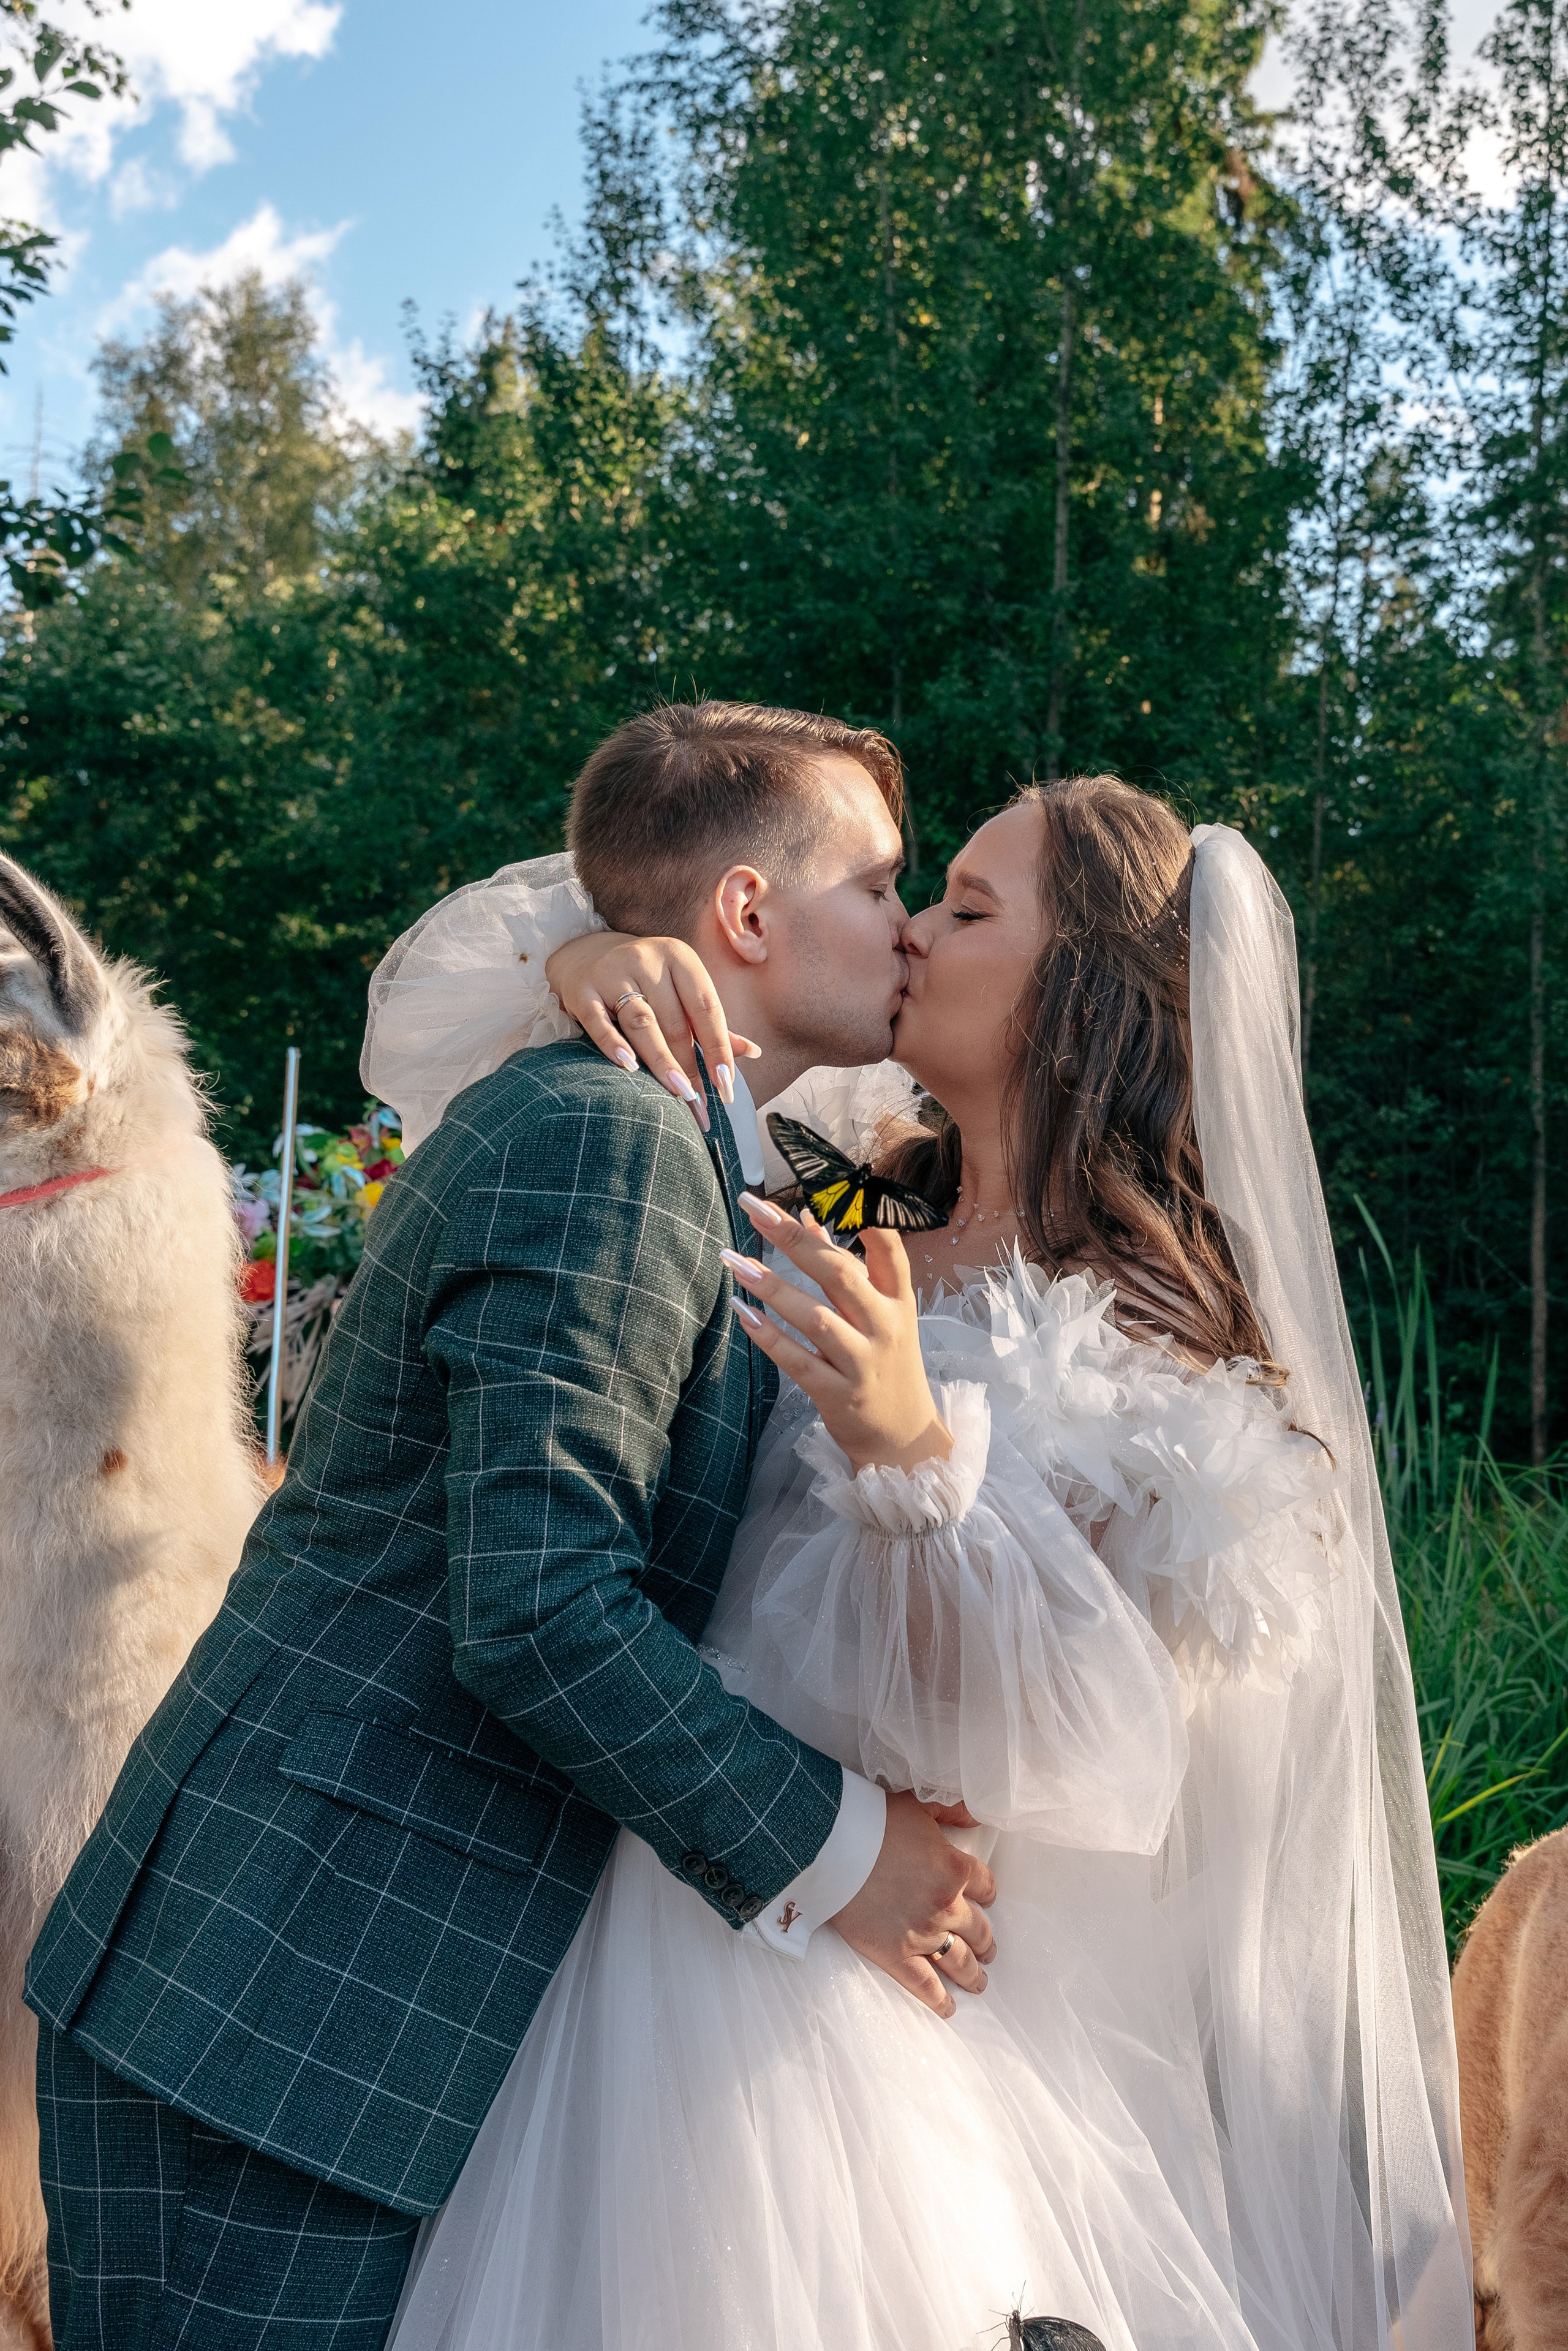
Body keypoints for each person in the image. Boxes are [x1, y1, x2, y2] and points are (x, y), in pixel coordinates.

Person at [369, 755, 1476, 2351]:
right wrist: (595, 955)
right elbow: (437, 1031)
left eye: (962, 908)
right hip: (668, 1905)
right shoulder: (834, 1184)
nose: (910, 937)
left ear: (1077, 996)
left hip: (880, 2031)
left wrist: (913, 1448)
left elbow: (1070, 1745)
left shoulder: (1176, 1373)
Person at [23, 703, 1000, 2351]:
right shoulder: (604, 1141)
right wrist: (848, 1858)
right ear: (749, 916)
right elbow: (541, 1606)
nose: (906, 927)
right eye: (882, 881)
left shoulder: (708, 1140)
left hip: (324, 1989)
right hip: (286, 2000)